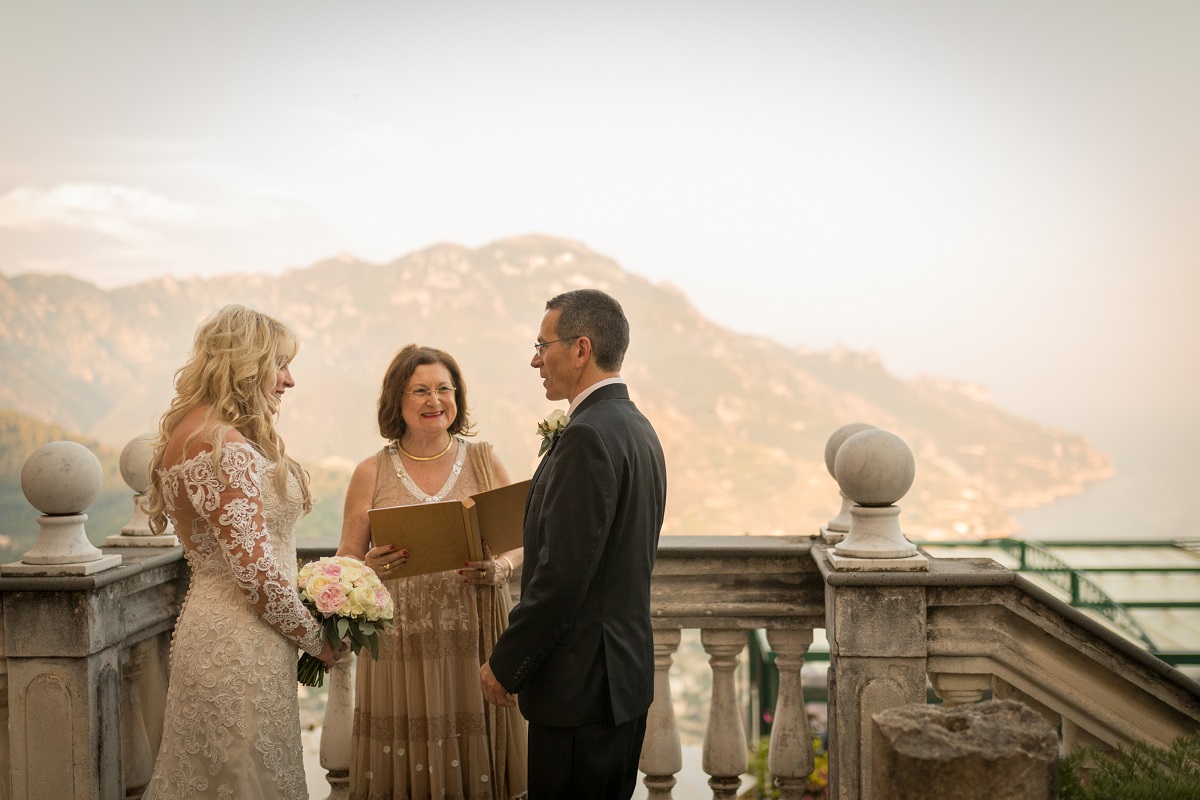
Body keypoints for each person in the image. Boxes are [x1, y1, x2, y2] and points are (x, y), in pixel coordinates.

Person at [142, 304, 345, 800]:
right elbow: (256, 575)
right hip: (242, 643)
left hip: (211, 630)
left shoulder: (184, 435)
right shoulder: (223, 446)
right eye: (280, 364)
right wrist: (317, 639)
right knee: (244, 778)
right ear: (244, 363)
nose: (289, 380)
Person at [481, 289, 668, 800]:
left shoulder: (588, 436)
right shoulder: (637, 428)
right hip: (620, 682)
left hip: (580, 691)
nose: (535, 359)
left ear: (581, 348)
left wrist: (506, 664)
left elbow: (560, 578)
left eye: (543, 345)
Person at [337, 344, 528, 800]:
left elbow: (523, 539)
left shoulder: (485, 460)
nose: (434, 400)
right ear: (396, 402)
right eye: (420, 390)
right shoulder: (370, 471)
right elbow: (345, 557)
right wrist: (367, 567)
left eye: (445, 388)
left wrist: (500, 566)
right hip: (398, 645)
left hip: (475, 634)